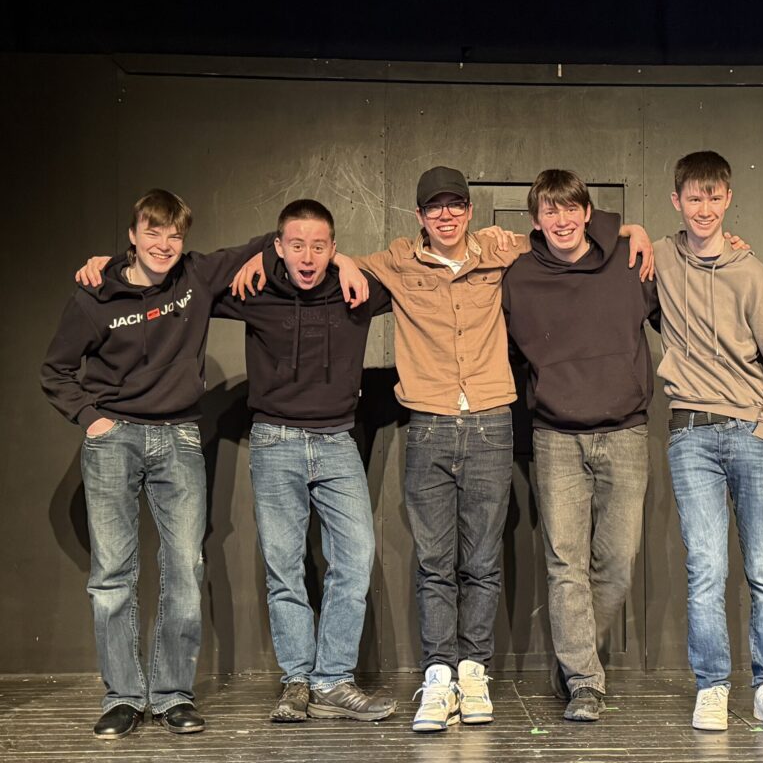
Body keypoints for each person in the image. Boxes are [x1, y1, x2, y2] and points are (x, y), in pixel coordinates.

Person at [232, 166, 651, 732]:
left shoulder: (501, 249)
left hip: (490, 424)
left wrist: (630, 230)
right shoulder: (397, 260)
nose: (446, 215)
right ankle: (438, 675)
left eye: (456, 205)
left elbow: (567, 229)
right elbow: (323, 258)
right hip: (429, 425)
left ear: (470, 211)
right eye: (435, 207)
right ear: (420, 215)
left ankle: (473, 673)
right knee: (435, 565)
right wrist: (328, 260)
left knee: (482, 564)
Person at [41, 189, 257, 738]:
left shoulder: (196, 277)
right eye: (153, 232)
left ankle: (172, 695)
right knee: (113, 574)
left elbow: (271, 243)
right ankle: (122, 697)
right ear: (133, 236)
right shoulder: (95, 295)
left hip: (179, 435)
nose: (164, 244)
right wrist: (92, 419)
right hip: (113, 439)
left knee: (185, 566)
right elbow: (56, 370)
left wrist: (343, 262)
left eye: (174, 235)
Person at [211, 200, 397, 724]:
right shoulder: (256, 289)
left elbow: (414, 269)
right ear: (279, 247)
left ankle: (332, 680)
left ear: (333, 249)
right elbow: (191, 278)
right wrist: (256, 255)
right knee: (285, 568)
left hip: (337, 440)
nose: (308, 257)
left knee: (354, 559)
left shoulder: (358, 290)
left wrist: (351, 265)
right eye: (296, 246)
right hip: (274, 441)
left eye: (320, 247)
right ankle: (297, 680)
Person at [653, 151, 763, 732]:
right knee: (706, 569)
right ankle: (712, 687)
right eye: (694, 197)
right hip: (690, 435)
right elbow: (603, 235)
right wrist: (636, 232)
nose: (704, 208)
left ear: (728, 199)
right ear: (677, 201)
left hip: (749, 434)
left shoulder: (751, 273)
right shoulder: (661, 258)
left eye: (714, 197)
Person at [501, 170, 660, 722]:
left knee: (617, 562)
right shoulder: (519, 278)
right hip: (556, 437)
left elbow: (679, 307)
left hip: (626, 431)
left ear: (587, 213)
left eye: (571, 209)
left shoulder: (629, 262)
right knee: (565, 563)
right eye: (550, 211)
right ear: (535, 220)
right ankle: (585, 683)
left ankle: (573, 662)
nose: (562, 220)